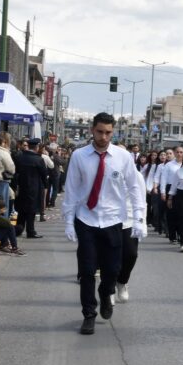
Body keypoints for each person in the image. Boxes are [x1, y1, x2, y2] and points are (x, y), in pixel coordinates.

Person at [62, 113, 146, 334]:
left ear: (113, 132)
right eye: (100, 131)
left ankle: (106, 293)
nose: (103, 136)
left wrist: (139, 217)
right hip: (86, 218)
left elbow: (134, 188)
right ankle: (88, 314)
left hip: (113, 220)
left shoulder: (123, 157)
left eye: (108, 132)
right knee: (87, 270)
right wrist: (69, 221)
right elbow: (71, 189)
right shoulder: (79, 156)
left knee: (112, 269)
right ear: (92, 130)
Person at [114, 171, 147, 304]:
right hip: (108, 220)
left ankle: (122, 282)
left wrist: (142, 223)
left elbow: (141, 200)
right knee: (108, 256)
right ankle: (109, 289)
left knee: (131, 254)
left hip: (129, 220)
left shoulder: (136, 175)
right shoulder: (105, 171)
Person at [14, 138, 48, 239]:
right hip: (34, 188)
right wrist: (45, 185)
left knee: (21, 209)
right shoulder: (38, 159)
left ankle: (19, 229)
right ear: (37, 147)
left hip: (21, 187)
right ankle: (30, 231)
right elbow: (44, 174)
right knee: (31, 210)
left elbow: (16, 171)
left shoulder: (20, 157)